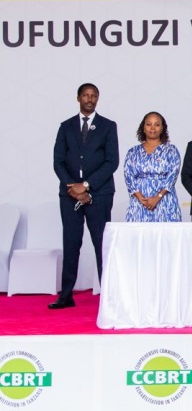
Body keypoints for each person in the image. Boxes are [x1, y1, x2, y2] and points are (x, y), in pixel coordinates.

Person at [50, 83, 118, 309]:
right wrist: (73, 187)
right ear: (78, 97)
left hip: (100, 193)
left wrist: (86, 186)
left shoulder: (108, 126)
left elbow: (112, 161)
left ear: (98, 99)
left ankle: (107, 295)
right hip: (69, 195)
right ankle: (66, 295)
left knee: (101, 244)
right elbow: (58, 161)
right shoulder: (66, 126)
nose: (90, 99)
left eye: (94, 96)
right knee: (71, 243)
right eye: (86, 95)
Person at [123, 111, 181, 222]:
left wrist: (157, 197)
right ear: (143, 128)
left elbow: (172, 176)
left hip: (165, 201)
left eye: (157, 124)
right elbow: (128, 176)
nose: (152, 128)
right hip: (139, 202)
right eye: (149, 124)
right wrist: (140, 198)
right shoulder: (133, 152)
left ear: (162, 128)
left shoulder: (171, 150)